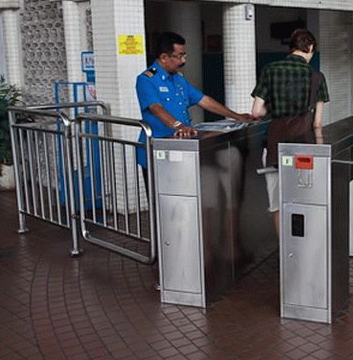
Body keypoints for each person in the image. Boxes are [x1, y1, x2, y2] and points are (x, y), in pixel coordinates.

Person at [136, 31, 252, 184]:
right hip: (158, 150)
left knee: (185, 195)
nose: (183, 60)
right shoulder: (146, 80)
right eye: (179, 56)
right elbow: (156, 108)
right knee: (161, 199)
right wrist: (179, 126)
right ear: (164, 57)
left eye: (184, 55)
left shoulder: (178, 79)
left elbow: (204, 100)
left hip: (182, 147)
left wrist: (236, 116)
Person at [250, 29, 329, 235]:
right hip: (304, 147)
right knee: (304, 199)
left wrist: (273, 108)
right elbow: (317, 123)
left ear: (291, 47)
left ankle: (285, 253)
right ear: (310, 48)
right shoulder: (317, 77)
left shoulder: (270, 69)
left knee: (277, 202)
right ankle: (304, 249)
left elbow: (257, 111)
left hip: (275, 145)